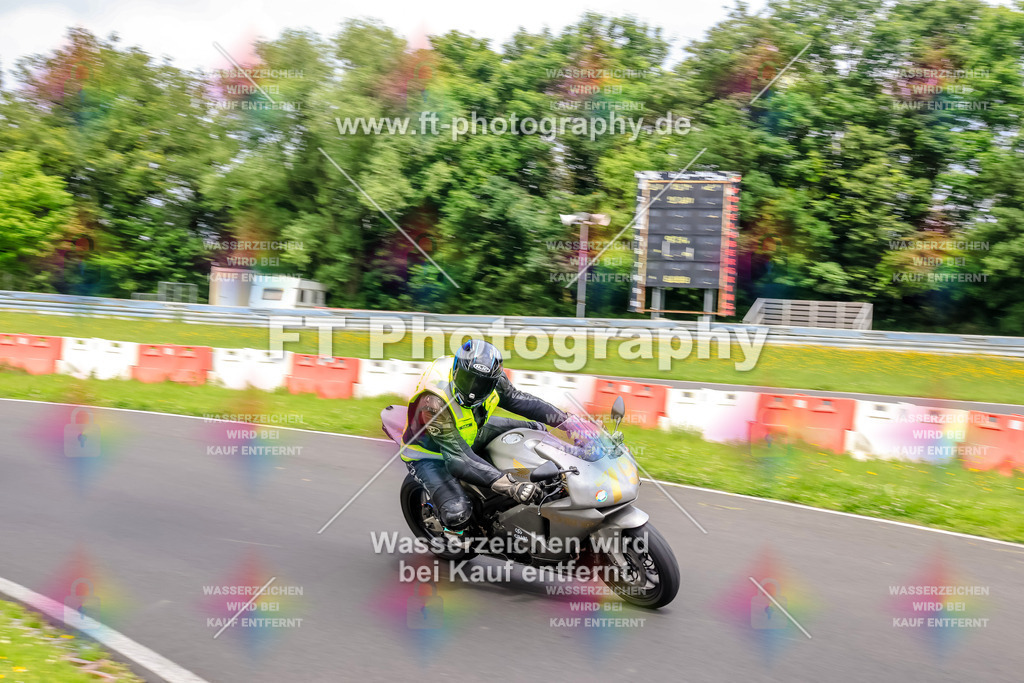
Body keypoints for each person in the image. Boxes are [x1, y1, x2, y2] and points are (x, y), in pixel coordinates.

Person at [401, 339, 595, 534]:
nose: (473, 390)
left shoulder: (495, 379)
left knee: (538, 428)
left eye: (482, 384)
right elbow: (458, 459)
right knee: (458, 515)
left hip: (470, 429)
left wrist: (570, 423)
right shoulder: (432, 403)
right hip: (431, 453)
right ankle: (456, 531)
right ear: (456, 370)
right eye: (468, 380)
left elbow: (523, 402)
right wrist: (512, 487)